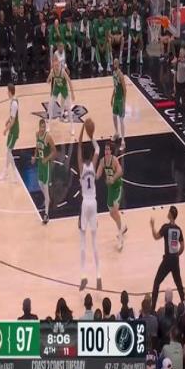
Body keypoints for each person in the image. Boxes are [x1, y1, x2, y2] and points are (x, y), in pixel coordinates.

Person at [78, 122, 101, 291]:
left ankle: (83, 276)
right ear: (91, 156)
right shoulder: (93, 165)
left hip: (85, 203)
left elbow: (78, 145)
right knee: (94, 241)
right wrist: (91, 136)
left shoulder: (81, 167)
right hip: (94, 203)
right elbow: (98, 149)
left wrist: (82, 129)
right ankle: (99, 275)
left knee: (82, 242)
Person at [150, 206, 185, 311]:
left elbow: (156, 237)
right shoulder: (178, 229)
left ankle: (152, 308)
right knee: (179, 284)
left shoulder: (166, 227)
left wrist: (152, 226)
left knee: (157, 282)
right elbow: (182, 246)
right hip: (175, 259)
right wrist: (176, 255)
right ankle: (184, 304)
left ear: (170, 214)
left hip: (167, 260)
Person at [96, 141, 127, 251]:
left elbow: (120, 171)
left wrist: (113, 178)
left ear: (111, 151)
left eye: (108, 149)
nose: (107, 151)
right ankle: (122, 227)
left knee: (115, 211)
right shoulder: (102, 161)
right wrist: (90, 174)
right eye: (105, 149)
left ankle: (120, 237)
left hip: (117, 187)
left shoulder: (114, 160)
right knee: (111, 213)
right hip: (110, 189)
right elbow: (98, 175)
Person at [31, 119, 56, 224]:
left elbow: (54, 151)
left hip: (46, 165)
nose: (43, 128)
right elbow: (37, 147)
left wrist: (47, 158)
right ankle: (48, 199)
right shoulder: (37, 134)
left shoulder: (48, 137)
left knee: (45, 187)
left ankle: (46, 214)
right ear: (39, 127)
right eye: (41, 127)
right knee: (40, 183)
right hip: (40, 164)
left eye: (44, 127)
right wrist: (34, 156)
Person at [46, 56, 76, 135]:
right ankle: (48, 125)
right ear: (53, 65)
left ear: (59, 64)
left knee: (68, 108)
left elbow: (69, 81)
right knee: (51, 105)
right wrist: (48, 80)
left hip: (63, 88)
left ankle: (72, 127)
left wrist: (72, 93)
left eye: (57, 65)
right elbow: (49, 79)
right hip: (57, 88)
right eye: (54, 65)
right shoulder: (52, 71)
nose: (56, 67)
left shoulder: (62, 72)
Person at [1, 84, 18, 182]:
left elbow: (13, 121)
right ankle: (5, 172)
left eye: (7, 91)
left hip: (14, 130)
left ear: (10, 91)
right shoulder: (13, 101)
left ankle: (15, 174)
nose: (6, 93)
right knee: (8, 151)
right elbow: (12, 116)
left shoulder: (14, 103)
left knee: (8, 151)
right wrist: (8, 120)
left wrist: (6, 129)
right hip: (12, 129)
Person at [112, 58, 127, 151]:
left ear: (118, 64)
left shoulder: (121, 75)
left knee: (121, 120)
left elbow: (125, 89)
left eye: (116, 63)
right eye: (114, 63)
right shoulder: (114, 73)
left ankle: (123, 141)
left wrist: (124, 102)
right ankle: (117, 133)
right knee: (114, 116)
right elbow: (115, 87)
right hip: (116, 99)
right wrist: (111, 97)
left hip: (121, 100)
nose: (114, 64)